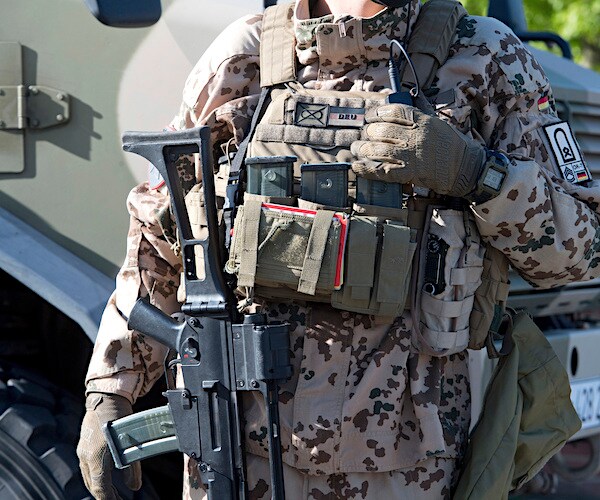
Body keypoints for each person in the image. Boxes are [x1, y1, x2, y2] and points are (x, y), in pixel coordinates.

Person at [77, 0, 599, 498]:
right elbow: (162, 238)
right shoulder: (244, 55)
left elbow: (581, 251)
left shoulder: (485, 59)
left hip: (411, 467)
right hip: (243, 454)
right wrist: (110, 389)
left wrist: (475, 173)